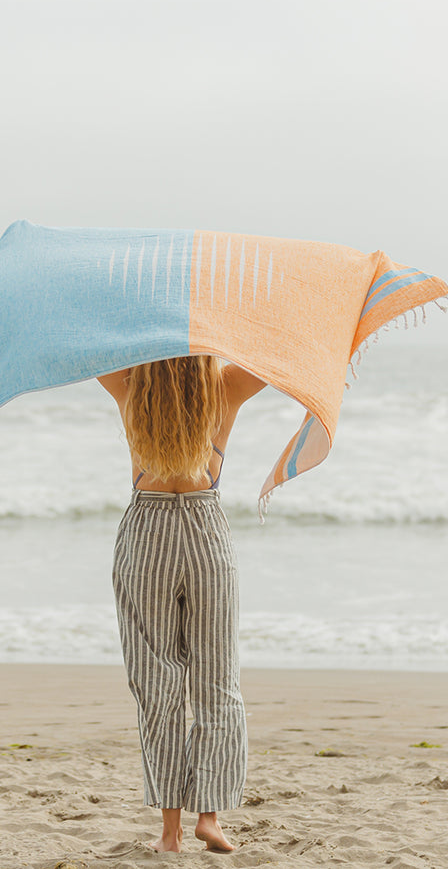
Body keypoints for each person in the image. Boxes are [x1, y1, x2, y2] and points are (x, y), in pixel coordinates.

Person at [97, 356, 267, 854]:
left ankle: (175, 831)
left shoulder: (130, 382)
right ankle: (202, 820)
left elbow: (80, 342)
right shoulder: (226, 384)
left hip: (149, 530)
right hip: (201, 528)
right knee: (215, 678)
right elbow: (280, 354)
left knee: (160, 682)